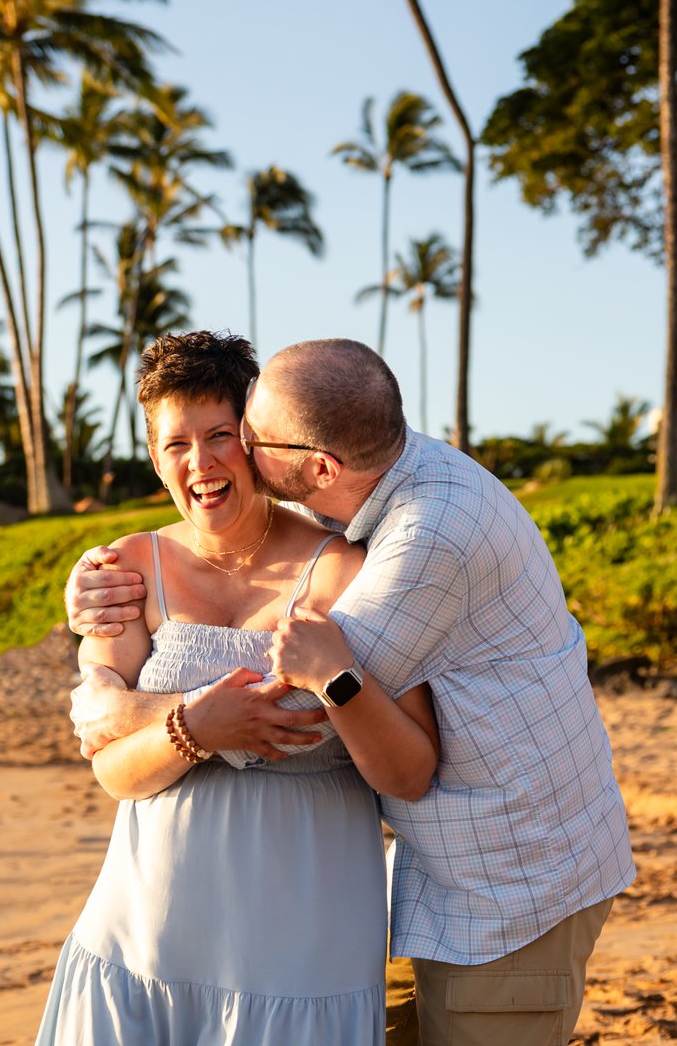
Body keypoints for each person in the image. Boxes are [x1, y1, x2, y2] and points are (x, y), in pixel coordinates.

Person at [70, 337, 635, 1045]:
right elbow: (119, 754)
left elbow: (295, 710)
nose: (218, 456)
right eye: (176, 443)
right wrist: (85, 594)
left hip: (509, 882)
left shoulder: (419, 542)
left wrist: (129, 710)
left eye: (239, 436)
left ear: (318, 465)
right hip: (405, 883)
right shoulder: (363, 485)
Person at [34, 330, 440, 1046]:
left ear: (254, 438)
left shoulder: (349, 571)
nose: (201, 463)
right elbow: (110, 769)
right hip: (144, 941)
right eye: (175, 445)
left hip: (305, 955)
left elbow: (411, 768)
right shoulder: (128, 569)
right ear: (156, 460)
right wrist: (195, 727)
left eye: (220, 435)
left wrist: (154, 714)